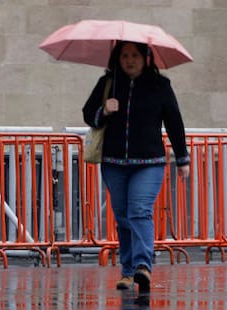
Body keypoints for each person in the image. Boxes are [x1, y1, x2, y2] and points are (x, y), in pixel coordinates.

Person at [83, 41, 190, 293]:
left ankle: (143, 265)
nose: (129, 60)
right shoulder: (107, 83)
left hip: (149, 162)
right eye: (124, 55)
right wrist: (104, 110)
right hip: (114, 163)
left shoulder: (160, 86)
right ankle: (128, 272)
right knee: (122, 216)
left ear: (146, 58)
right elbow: (89, 114)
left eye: (134, 55)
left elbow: (174, 121)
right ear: (117, 58)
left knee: (139, 211)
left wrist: (182, 157)